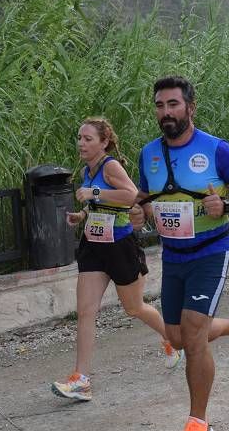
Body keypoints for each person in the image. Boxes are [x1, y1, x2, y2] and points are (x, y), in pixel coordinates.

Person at [128, 75, 229, 431]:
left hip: (210, 250)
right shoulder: (149, 154)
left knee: (191, 333)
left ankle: (197, 424)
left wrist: (227, 206)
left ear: (190, 107)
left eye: (173, 104)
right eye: (159, 105)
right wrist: (139, 212)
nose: (166, 112)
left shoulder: (217, 150)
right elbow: (144, 196)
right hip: (173, 255)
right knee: (180, 335)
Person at [51, 117, 181, 403]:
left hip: (120, 247)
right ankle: (81, 379)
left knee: (134, 308)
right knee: (85, 311)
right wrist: (83, 215)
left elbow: (132, 195)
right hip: (94, 247)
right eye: (79, 138)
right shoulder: (89, 169)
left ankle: (172, 338)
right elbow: (103, 204)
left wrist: (94, 192)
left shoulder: (110, 166)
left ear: (104, 142)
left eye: (88, 139)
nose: (81, 143)